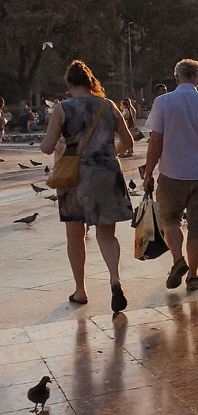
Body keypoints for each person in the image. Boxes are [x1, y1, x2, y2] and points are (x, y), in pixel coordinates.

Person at [40, 60, 135, 311]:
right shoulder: (109, 105)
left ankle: (81, 290)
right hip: (107, 173)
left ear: (70, 84)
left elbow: (47, 147)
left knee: (75, 235)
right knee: (107, 234)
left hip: (74, 178)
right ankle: (114, 278)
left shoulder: (62, 108)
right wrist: (105, 154)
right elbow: (128, 142)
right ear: (91, 81)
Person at [143, 59, 198, 293]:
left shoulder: (163, 102)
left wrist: (149, 172)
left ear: (176, 77)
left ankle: (178, 260)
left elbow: (155, 142)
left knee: (169, 220)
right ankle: (192, 275)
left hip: (171, 174)